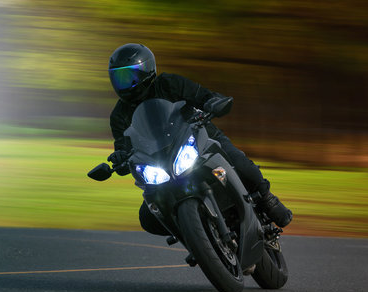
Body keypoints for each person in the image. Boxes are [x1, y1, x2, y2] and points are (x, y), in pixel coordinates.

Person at [107, 43, 292, 235]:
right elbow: (123, 146)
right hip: (160, 163)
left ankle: (267, 199)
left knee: (240, 163)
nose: (124, 83)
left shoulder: (169, 83)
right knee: (149, 217)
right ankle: (192, 236)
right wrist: (119, 158)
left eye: (128, 76)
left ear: (146, 71)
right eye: (119, 77)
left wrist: (212, 102)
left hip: (198, 138)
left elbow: (201, 95)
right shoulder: (118, 115)